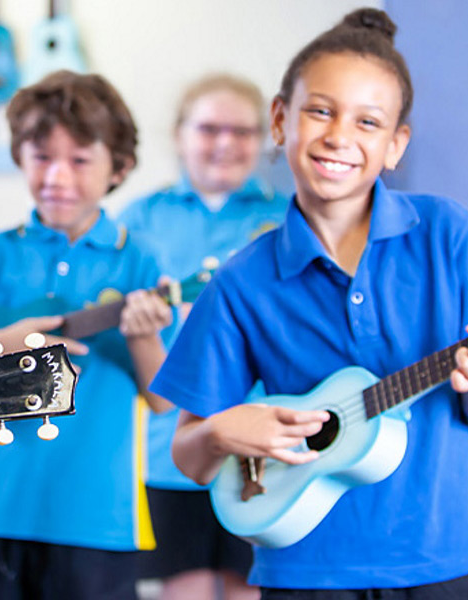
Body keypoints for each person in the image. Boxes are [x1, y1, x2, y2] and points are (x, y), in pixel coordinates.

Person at [156, 9, 468, 599]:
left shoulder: (447, 234)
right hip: (304, 565)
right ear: (280, 119)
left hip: (442, 550)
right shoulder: (243, 280)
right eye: (320, 110)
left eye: (368, 122)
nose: (339, 136)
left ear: (396, 144)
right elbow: (190, 456)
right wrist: (222, 429)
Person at [0, 71, 175, 600]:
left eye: (79, 160)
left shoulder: (141, 260)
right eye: (42, 156)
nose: (58, 177)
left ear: (119, 167)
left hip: (98, 520)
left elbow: (163, 397)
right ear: (20, 156)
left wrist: (142, 336)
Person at [119, 73, 287, 600]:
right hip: (169, 445)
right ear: (178, 134)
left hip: (267, 437)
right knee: (184, 588)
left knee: (250, 588)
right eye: (209, 128)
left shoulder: (286, 217)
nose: (225, 143)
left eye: (242, 131)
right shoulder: (140, 220)